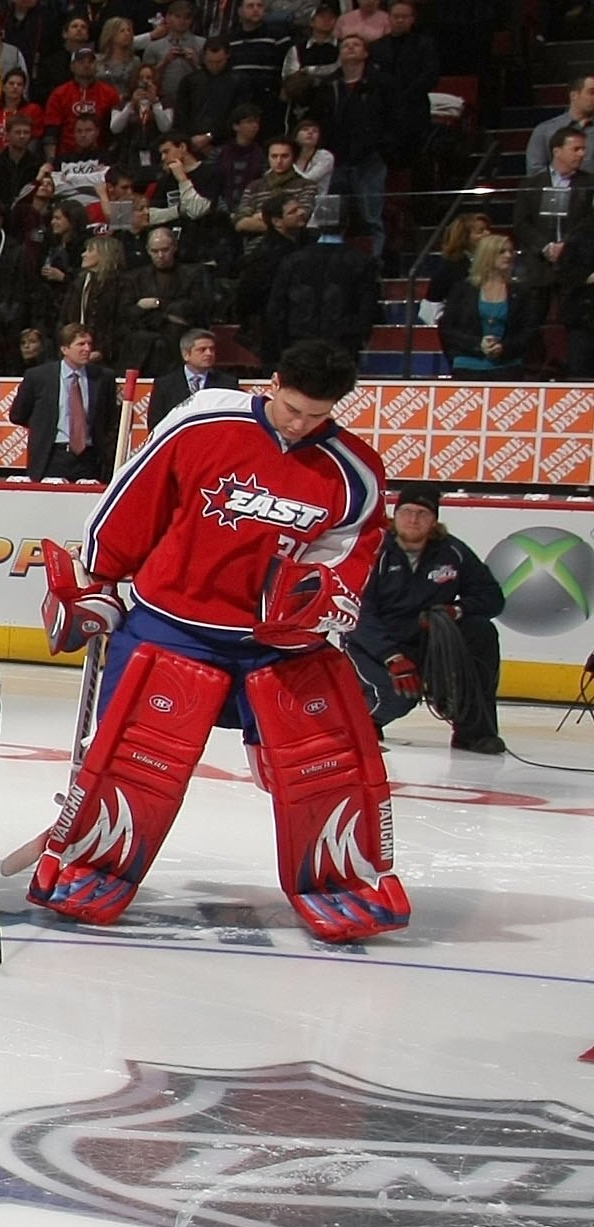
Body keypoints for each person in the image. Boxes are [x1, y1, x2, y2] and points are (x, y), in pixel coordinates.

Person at [36, 340, 405, 943]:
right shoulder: (204, 417)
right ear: (274, 381)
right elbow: (137, 498)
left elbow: (349, 558)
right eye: (292, 408)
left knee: (322, 771)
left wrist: (325, 602)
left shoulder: (354, 470)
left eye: (318, 415)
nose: (301, 424)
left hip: (276, 644)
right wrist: (99, 570)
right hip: (171, 623)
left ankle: (341, 883)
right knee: (129, 763)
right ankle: (90, 866)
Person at [348, 480, 509, 754]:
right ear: (394, 515)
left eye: (422, 513)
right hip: (374, 646)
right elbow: (359, 610)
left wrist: (457, 610)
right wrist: (393, 657)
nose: (413, 519)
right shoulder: (373, 550)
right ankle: (360, 721)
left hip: (428, 643)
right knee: (399, 696)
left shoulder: (453, 552)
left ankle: (474, 733)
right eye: (406, 512)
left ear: (434, 520)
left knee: (480, 630)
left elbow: (492, 598)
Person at [12, 323, 122, 480]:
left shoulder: (103, 378)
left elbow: (109, 418)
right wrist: (43, 425)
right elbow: (18, 414)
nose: (87, 349)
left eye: (89, 344)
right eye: (80, 344)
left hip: (89, 458)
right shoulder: (38, 377)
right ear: (65, 349)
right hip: (52, 457)